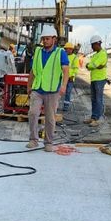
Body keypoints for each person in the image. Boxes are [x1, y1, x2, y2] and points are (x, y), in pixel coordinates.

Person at [26, 25, 69, 153]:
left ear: (54, 39)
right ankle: (33, 140)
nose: (45, 41)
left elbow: (66, 70)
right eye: (43, 39)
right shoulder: (38, 51)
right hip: (37, 89)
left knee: (50, 118)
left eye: (47, 39)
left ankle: (48, 142)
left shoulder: (60, 53)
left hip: (52, 91)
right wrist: (29, 86)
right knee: (33, 113)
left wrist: (64, 85)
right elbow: (33, 71)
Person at [85, 35, 108, 127]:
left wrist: (91, 65)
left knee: (98, 100)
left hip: (100, 79)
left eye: (92, 45)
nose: (91, 47)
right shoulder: (95, 55)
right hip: (94, 79)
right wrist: (91, 65)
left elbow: (92, 65)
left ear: (97, 44)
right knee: (94, 99)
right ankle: (93, 117)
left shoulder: (103, 54)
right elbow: (92, 66)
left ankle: (96, 119)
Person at [62, 42, 79, 112]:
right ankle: (55, 105)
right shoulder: (63, 56)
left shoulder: (75, 57)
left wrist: (73, 76)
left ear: (71, 49)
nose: (65, 50)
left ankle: (66, 106)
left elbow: (76, 69)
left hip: (70, 78)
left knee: (68, 92)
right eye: (65, 49)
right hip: (62, 77)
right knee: (59, 92)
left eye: (67, 49)